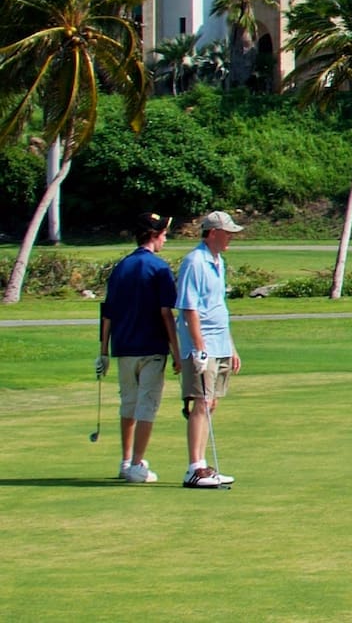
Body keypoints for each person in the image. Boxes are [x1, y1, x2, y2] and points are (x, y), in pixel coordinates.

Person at [98, 212, 181, 483]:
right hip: (151, 348)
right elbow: (166, 314)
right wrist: (177, 352)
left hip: (123, 348)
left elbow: (107, 313)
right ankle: (136, 464)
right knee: (147, 405)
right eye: (164, 234)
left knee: (129, 404)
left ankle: (126, 461)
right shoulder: (159, 268)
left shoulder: (121, 267)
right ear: (154, 235)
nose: (165, 239)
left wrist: (103, 352)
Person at [176, 210, 245, 490]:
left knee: (211, 402)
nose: (231, 238)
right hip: (202, 345)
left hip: (220, 343)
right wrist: (199, 348)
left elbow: (219, 308)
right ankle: (195, 468)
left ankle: (202, 466)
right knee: (202, 402)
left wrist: (231, 346)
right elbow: (189, 308)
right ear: (213, 233)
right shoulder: (194, 262)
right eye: (227, 233)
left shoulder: (219, 262)